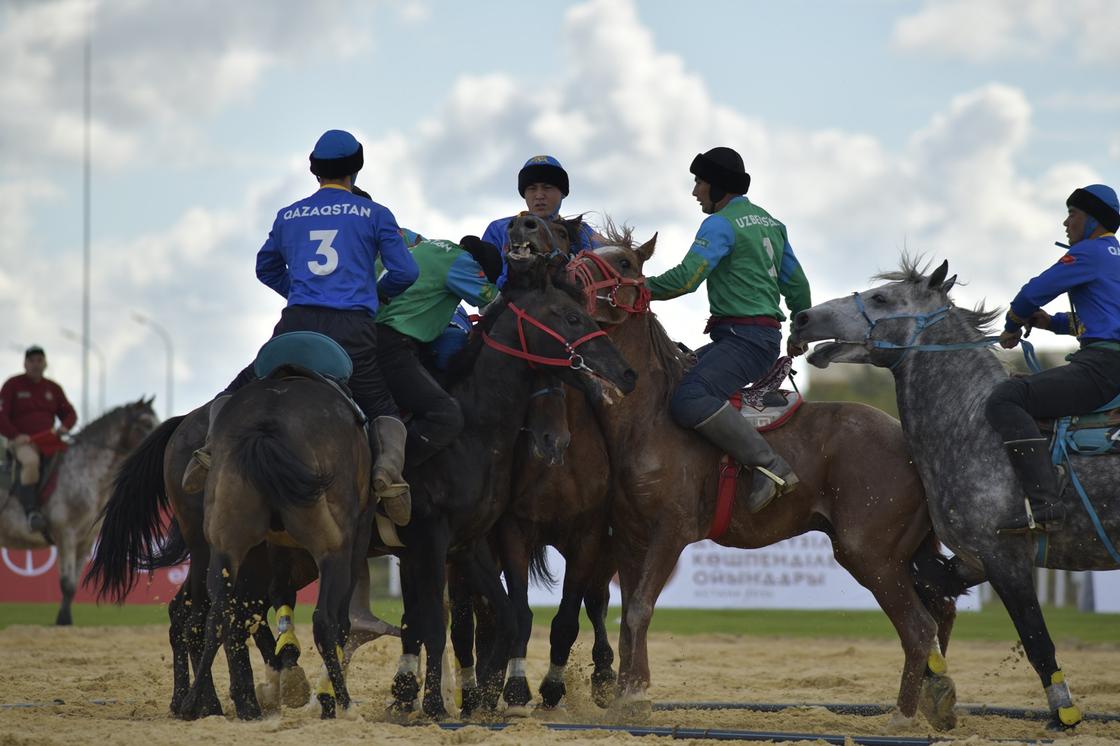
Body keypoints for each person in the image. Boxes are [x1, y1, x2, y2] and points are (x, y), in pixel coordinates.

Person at [182, 129, 420, 526]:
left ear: (315, 171)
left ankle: (209, 450)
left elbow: (265, 267)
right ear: (355, 169)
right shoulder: (375, 214)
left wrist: (298, 291)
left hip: (296, 323)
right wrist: (377, 295)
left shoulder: (288, 214)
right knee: (381, 406)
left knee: (240, 387)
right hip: (352, 328)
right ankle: (388, 476)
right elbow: (406, 270)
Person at [646, 147, 812, 513]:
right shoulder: (770, 223)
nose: (694, 192)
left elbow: (687, 279)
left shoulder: (719, 224)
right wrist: (799, 327)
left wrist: (637, 287)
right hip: (754, 338)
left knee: (689, 397)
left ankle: (770, 466)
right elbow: (797, 285)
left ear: (717, 185)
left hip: (744, 340)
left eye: (699, 182)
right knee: (675, 377)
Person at [986, 184, 1120, 534]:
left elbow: (1034, 291)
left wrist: (1013, 324)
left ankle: (1045, 504)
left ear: (1091, 220)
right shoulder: (1114, 257)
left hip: (1102, 369)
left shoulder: (1090, 253)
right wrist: (1051, 323)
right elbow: (1104, 321)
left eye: (1072, 214)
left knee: (1006, 398)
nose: (1065, 223)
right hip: (1109, 363)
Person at [376, 234, 504, 464]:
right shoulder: (462, 261)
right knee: (446, 417)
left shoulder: (425, 246)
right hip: (393, 343)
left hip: (361, 332)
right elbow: (495, 305)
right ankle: (396, 472)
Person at [0, 346, 77, 532]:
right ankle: (31, 511)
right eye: (31, 361)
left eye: (39, 361)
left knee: (75, 461)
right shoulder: (13, 385)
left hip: (49, 441)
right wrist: (16, 435)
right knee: (31, 462)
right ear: (25, 364)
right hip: (21, 443)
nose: (36, 364)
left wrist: (64, 427)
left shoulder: (53, 388)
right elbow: (1, 416)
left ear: (45, 363)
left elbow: (70, 413)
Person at [481, 155, 602, 258]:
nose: (539, 195)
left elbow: (609, 263)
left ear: (563, 193)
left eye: (547, 187)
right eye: (532, 188)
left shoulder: (581, 232)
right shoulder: (499, 229)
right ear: (524, 194)